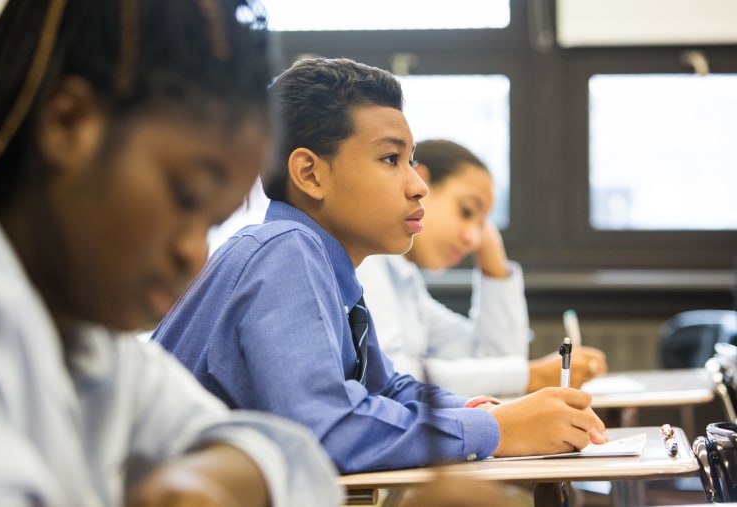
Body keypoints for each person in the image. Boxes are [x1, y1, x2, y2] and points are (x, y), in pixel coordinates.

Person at [152, 57, 608, 474]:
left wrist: (487, 412)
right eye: (391, 159)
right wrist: (500, 431)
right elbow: (328, 431)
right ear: (310, 174)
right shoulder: (285, 250)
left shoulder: (330, 267)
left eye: (410, 161)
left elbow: (390, 389)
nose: (417, 186)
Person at [0, 1, 342, 506]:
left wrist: (206, 482)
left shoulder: (93, 342)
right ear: (67, 122)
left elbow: (291, 454)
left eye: (214, 223)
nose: (194, 255)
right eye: (186, 196)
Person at [357, 139, 608, 397]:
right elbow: (390, 377)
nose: (473, 240)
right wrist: (533, 376)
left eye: (482, 225)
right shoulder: (366, 263)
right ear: (420, 185)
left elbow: (499, 358)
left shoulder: (405, 282)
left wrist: (494, 263)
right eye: (466, 211)